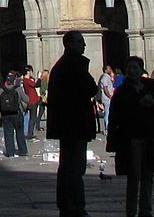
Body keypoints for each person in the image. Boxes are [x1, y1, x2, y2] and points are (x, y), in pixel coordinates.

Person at [106, 56, 154, 217]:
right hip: (131, 138)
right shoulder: (121, 92)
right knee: (134, 176)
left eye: (135, 67)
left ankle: (146, 210)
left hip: (150, 136)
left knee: (148, 175)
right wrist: (112, 140)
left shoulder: (150, 88)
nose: (132, 70)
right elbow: (115, 116)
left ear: (141, 69)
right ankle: (130, 211)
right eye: (129, 67)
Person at [48, 31, 96, 217]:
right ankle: (75, 206)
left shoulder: (61, 65)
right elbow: (91, 88)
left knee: (67, 166)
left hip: (65, 123)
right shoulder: (74, 64)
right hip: (74, 123)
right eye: (81, 42)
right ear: (69, 44)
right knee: (75, 167)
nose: (84, 46)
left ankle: (66, 205)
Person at [0, 74, 27, 157]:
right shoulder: (18, 89)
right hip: (17, 113)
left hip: (6, 115)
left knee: (8, 133)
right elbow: (27, 99)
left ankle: (10, 152)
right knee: (20, 132)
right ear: (14, 81)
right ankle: (22, 150)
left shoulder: (2, 90)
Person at [98, 65, 116, 133]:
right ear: (105, 70)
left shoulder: (107, 77)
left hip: (108, 97)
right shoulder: (105, 77)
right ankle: (107, 129)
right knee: (107, 113)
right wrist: (109, 96)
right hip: (107, 98)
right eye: (109, 68)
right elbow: (105, 88)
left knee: (109, 112)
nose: (110, 69)